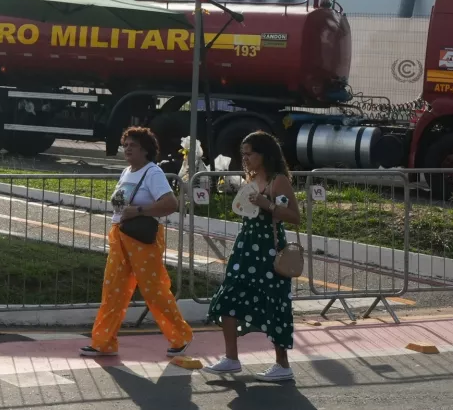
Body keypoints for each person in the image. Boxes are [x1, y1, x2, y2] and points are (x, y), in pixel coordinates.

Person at [79, 126, 194, 358]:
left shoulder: (152, 173)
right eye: (126, 145)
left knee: (154, 290)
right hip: (119, 236)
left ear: (146, 150)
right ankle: (103, 342)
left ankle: (180, 336)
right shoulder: (126, 172)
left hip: (143, 240)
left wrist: (139, 210)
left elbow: (170, 203)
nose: (128, 149)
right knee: (112, 291)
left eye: (133, 145)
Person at [203, 131, 301, 382]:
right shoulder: (251, 177)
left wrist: (265, 203)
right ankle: (231, 358)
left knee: (274, 301)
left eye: (250, 153)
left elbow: (294, 216)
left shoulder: (278, 180)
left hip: (269, 248)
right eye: (243, 154)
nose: (245, 159)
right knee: (228, 296)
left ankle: (282, 364)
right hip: (246, 246)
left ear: (264, 154)